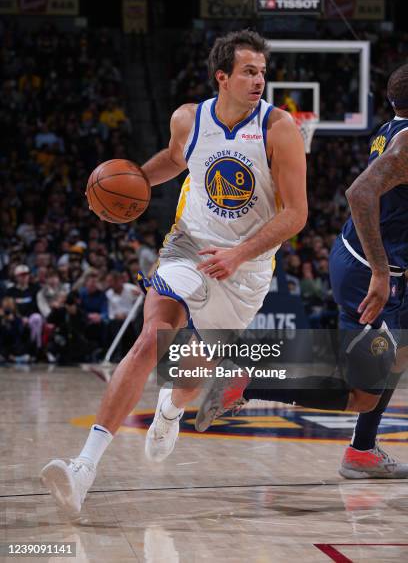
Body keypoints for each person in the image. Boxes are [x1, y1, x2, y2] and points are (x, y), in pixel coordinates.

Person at [40, 29, 307, 516]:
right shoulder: (190, 118)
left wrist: (240, 253)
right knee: (151, 339)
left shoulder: (279, 127)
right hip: (189, 245)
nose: (259, 80)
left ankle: (171, 407)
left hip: (245, 269)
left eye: (262, 72)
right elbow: (174, 159)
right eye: (249, 71)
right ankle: (84, 468)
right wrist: (126, 186)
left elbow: (296, 214)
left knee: (187, 374)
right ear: (221, 76)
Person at [195, 63, 408, 479]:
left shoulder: (393, 129)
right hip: (370, 272)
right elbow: (359, 193)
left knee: (398, 353)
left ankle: (362, 451)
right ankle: (247, 382)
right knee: (361, 395)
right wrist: (381, 274)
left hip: (376, 264)